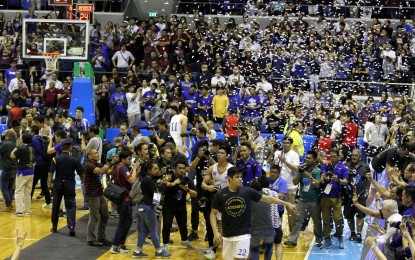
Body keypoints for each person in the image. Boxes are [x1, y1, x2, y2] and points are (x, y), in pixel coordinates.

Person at [210, 167, 296, 260]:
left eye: (241, 177)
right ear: (230, 179)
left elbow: (268, 198)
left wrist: (286, 203)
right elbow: (213, 214)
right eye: (237, 177)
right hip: (227, 235)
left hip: (243, 235)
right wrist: (215, 232)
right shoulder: (220, 194)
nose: (240, 179)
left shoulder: (247, 192)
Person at [133, 160, 172, 258]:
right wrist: (164, 183)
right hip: (147, 208)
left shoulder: (147, 179)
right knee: (153, 230)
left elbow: (154, 196)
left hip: (142, 207)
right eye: (155, 169)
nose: (157, 170)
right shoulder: (148, 180)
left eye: (158, 169)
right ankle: (159, 251)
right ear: (149, 170)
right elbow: (156, 196)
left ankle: (137, 252)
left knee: (144, 231)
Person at [284, 150, 323, 247]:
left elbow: (317, 185)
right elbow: (295, 183)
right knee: (297, 220)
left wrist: (308, 175)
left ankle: (319, 240)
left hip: (314, 200)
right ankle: (292, 240)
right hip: (302, 199)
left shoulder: (317, 170)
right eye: (306, 157)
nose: (307, 159)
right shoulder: (301, 169)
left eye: (310, 158)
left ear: (314, 160)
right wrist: (300, 174)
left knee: (316, 221)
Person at [201, 145, 233, 259]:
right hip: (216, 201)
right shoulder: (212, 168)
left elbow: (238, 186)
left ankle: (223, 248)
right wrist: (208, 187)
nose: (219, 154)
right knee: (218, 227)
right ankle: (215, 248)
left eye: (222, 153)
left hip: (229, 202)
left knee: (226, 227)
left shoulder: (231, 169)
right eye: (218, 152)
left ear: (228, 155)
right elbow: (203, 184)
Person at [48, 138, 83, 236]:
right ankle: (71, 226)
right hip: (69, 184)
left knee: (56, 205)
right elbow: (81, 174)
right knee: (71, 205)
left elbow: (50, 173)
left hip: (58, 183)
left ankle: (54, 226)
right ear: (70, 147)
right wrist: (84, 182)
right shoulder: (74, 159)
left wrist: (50, 183)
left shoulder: (55, 159)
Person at [162, 159, 197, 251]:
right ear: (174, 169)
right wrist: (171, 184)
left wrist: (187, 189)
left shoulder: (187, 180)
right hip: (168, 205)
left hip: (181, 205)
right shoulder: (169, 177)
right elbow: (161, 187)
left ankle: (184, 240)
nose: (181, 170)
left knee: (183, 224)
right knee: (167, 224)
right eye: (179, 168)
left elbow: (195, 194)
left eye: (183, 168)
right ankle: (165, 244)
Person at [110, 150, 140, 254]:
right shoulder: (122, 167)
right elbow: (131, 180)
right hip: (124, 199)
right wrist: (135, 168)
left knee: (128, 222)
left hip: (125, 198)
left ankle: (121, 244)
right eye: (128, 159)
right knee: (123, 222)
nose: (130, 161)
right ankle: (114, 246)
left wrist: (135, 170)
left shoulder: (121, 167)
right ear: (123, 159)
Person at [84, 148, 115, 246]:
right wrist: (110, 163)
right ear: (89, 156)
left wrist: (115, 164)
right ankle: (91, 239)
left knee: (105, 215)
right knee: (94, 216)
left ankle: (101, 236)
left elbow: (109, 172)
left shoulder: (96, 163)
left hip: (99, 193)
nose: (98, 154)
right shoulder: (88, 165)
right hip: (92, 194)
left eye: (98, 152)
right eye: (95, 153)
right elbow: (100, 171)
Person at [320, 148, 349, 249]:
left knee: (337, 218)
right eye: (330, 157)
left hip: (337, 197)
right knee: (326, 219)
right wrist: (323, 178)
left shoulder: (343, 167)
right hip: (325, 196)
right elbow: (321, 181)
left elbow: (346, 181)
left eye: (334, 157)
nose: (332, 159)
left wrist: (338, 180)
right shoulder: (326, 166)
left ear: (338, 157)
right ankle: (327, 240)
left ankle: (340, 236)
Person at [273, 136, 299, 231]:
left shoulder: (294, 155)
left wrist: (285, 162)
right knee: (276, 209)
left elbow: (296, 169)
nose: (285, 144)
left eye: (287, 143)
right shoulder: (277, 153)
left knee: (290, 210)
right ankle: (277, 231)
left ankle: (292, 232)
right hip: (278, 185)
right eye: (284, 142)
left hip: (290, 185)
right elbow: (274, 167)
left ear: (291, 144)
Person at [344, 149, 370, 243]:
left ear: (360, 157)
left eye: (356, 155)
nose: (354, 157)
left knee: (360, 215)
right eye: (352, 155)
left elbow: (368, 180)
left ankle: (359, 234)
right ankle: (352, 232)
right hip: (348, 195)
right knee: (349, 215)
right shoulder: (346, 166)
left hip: (361, 195)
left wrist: (367, 191)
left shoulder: (365, 167)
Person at [10, 133, 35, 216]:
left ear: (22, 139)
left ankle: (19, 211)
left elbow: (12, 155)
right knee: (28, 192)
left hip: (22, 172)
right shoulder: (32, 148)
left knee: (18, 191)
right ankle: (28, 210)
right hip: (31, 171)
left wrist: (17, 146)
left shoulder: (21, 148)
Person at [0, 130, 17, 211]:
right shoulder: (17, 144)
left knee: (3, 187)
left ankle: (8, 203)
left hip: (6, 168)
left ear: (8, 136)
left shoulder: (6, 144)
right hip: (14, 168)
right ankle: (10, 203)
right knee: (10, 187)